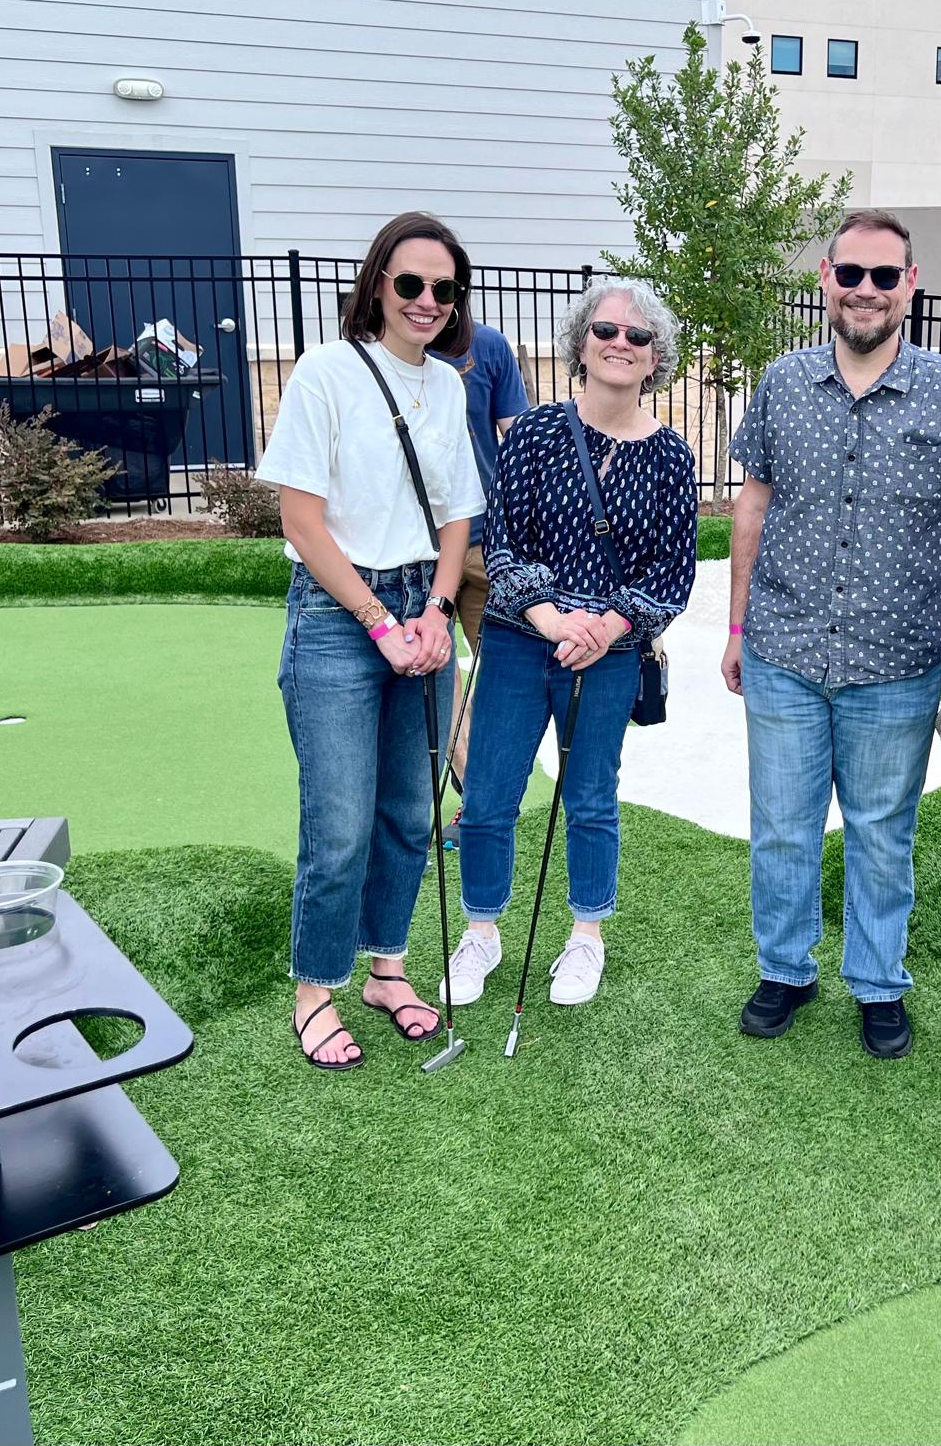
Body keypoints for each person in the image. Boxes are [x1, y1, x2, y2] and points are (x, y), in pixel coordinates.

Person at [723, 208, 941, 1059]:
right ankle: (786, 970)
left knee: (884, 833)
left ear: (911, 284)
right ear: (826, 280)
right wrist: (736, 626)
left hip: (898, 662)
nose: (868, 292)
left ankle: (879, 984)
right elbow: (754, 506)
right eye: (852, 274)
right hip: (783, 649)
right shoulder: (782, 383)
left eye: (886, 276)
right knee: (781, 824)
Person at [257, 212, 484, 1070]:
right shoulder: (326, 373)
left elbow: (458, 514)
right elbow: (302, 521)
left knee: (405, 810)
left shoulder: (452, 386)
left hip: (419, 603)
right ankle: (315, 988)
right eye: (411, 283)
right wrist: (382, 623)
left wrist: (430, 610)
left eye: (444, 289)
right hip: (337, 612)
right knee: (341, 818)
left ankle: (388, 967)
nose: (427, 301)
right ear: (378, 284)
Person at [447, 279, 697, 1008]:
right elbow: (503, 547)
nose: (621, 344)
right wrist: (554, 619)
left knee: (591, 798)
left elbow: (671, 573)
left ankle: (587, 936)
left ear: (657, 358)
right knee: (491, 793)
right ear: (580, 343)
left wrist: (609, 626)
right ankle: (482, 932)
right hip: (523, 640)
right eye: (606, 331)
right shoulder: (533, 433)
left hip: (612, 653)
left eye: (638, 336)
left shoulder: (672, 458)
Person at [436, 324, 530, 837]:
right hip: (417, 553)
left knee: (502, 675)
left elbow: (518, 436)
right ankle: (474, 801)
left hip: (485, 543)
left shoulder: (488, 347)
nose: (427, 299)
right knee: (438, 678)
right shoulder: (374, 352)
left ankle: (492, 794)